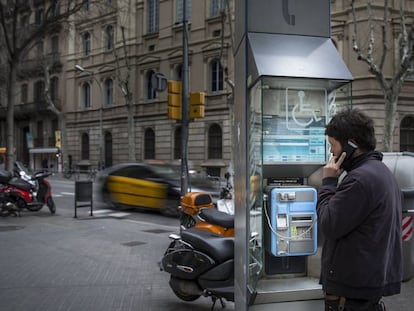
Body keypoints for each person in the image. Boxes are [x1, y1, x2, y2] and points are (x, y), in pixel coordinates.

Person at [317, 109, 402, 311]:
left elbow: (329, 224)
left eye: (333, 146)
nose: (331, 153)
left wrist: (328, 182)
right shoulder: (382, 172)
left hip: (351, 293)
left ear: (351, 144)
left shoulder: (359, 180)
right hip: (366, 285)